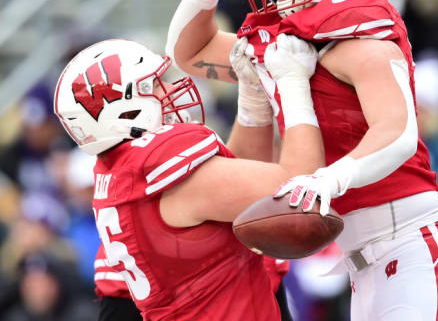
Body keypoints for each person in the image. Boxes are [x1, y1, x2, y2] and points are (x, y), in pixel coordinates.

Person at [166, 0, 438, 320]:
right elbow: (188, 53)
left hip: (414, 244)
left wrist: (330, 178)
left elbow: (397, 132)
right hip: (363, 266)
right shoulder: (286, 42)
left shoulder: (361, 38)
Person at [52, 37, 324, 320]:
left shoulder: (124, 171)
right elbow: (302, 183)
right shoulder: (160, 171)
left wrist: (253, 100)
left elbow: (237, 182)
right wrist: (294, 83)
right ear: (124, 111)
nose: (170, 89)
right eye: (155, 85)